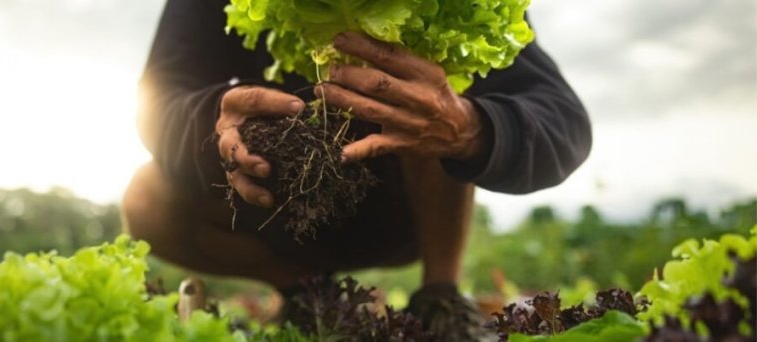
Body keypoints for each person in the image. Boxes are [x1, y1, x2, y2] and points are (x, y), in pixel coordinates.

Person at [123, 0, 591, 339]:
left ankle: (441, 298)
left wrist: (468, 128)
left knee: (428, 98)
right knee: (145, 200)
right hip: (272, 208)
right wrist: (212, 123)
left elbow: (562, 119)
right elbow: (160, 97)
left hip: (407, 213)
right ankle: (305, 294)